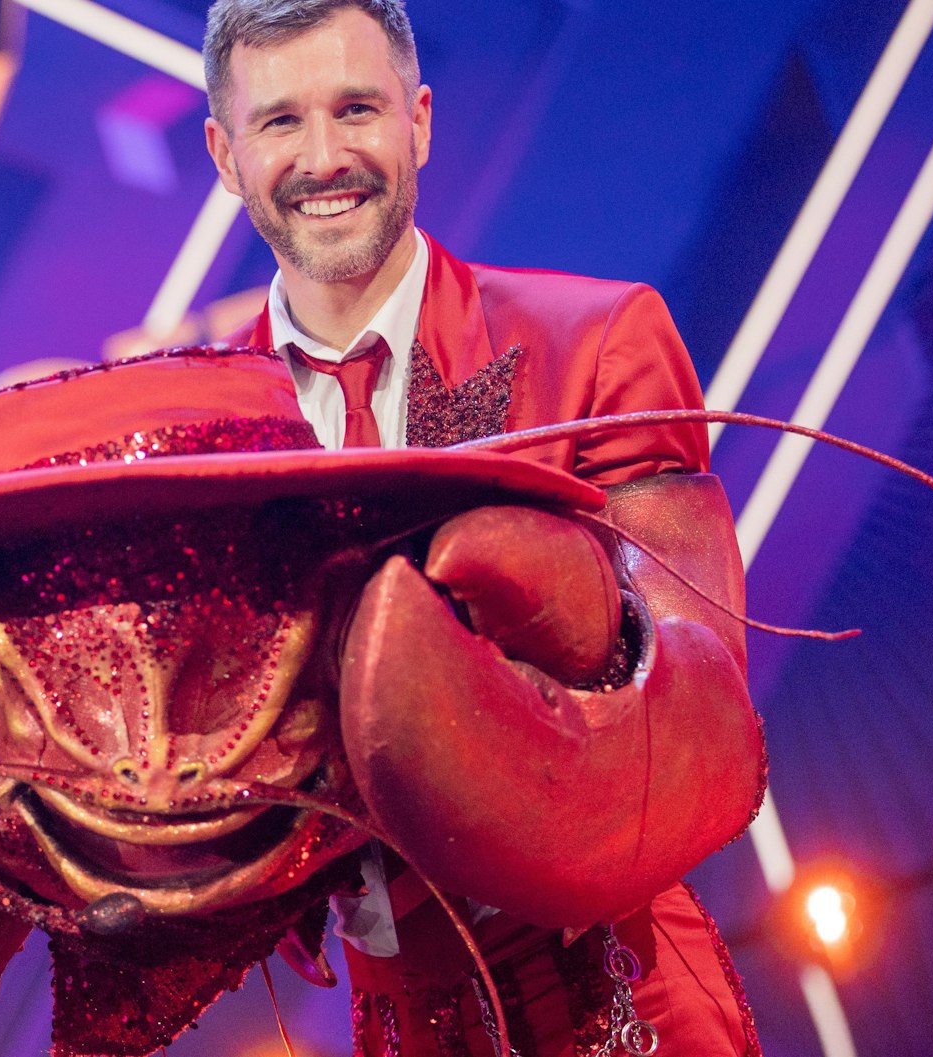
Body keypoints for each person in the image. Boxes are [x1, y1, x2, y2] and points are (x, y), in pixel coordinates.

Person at [200, 2, 764, 1054]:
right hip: (393, 1018)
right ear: (225, 157)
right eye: (278, 121)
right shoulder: (197, 434)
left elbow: (698, 710)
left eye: (355, 109)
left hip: (621, 990)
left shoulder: (598, 341)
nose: (323, 157)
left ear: (417, 121)